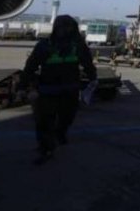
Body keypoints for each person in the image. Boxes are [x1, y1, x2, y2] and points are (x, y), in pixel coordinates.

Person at [22, 15, 97, 165]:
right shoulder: (47, 45)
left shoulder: (76, 45)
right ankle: (47, 147)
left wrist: (92, 77)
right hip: (52, 89)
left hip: (64, 89)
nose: (64, 30)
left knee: (63, 118)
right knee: (47, 120)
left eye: (67, 27)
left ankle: (57, 136)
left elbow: (88, 64)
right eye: (63, 27)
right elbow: (31, 66)